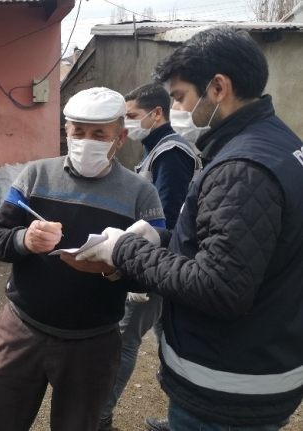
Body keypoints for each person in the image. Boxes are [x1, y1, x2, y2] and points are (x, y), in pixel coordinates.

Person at [77, 27, 303, 430]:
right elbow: (241, 246)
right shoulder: (280, 143)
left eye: (180, 96)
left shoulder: (242, 168)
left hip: (229, 387)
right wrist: (164, 240)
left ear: (218, 87)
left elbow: (220, 285)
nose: (177, 107)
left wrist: (125, 251)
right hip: (265, 360)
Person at [0, 87, 165, 431]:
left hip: (92, 342)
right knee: (2, 421)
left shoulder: (142, 195)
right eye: (78, 131)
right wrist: (26, 239)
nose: (86, 140)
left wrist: (111, 269)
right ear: (65, 131)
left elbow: (153, 272)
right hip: (23, 329)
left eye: (99, 134)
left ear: (120, 136)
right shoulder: (35, 175)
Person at [98, 83, 200, 431]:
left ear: (157, 114)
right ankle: (181, 419)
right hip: (161, 263)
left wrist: (141, 269)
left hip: (156, 265)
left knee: (123, 341)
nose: (127, 125)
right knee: (171, 341)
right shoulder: (157, 151)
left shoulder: (171, 153)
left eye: (131, 116)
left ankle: (99, 417)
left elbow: (167, 219)